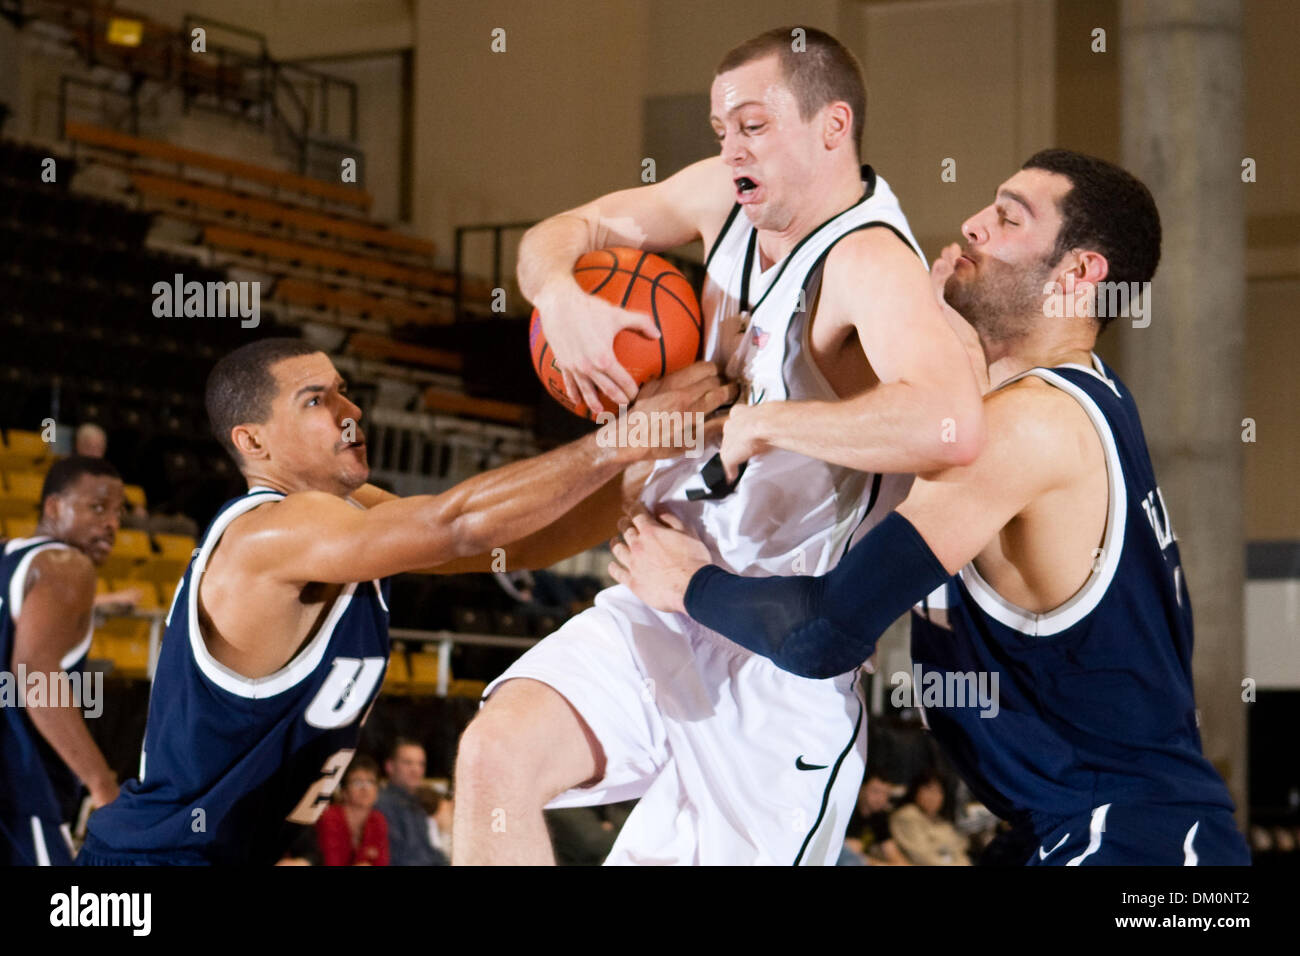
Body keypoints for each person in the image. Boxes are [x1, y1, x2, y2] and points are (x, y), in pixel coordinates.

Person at [611, 149, 1252, 866]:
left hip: (1132, 845)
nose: (972, 225)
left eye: (1008, 218)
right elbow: (920, 422)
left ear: (1079, 276)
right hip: (1071, 829)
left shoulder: (1030, 428)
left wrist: (688, 584)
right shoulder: (1055, 402)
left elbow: (823, 634)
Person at [455, 26, 983, 866]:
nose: (731, 147)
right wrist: (559, 292)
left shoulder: (868, 262)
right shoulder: (719, 203)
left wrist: (769, 422)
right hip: (656, 602)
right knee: (494, 755)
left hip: (773, 659)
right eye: (721, 130)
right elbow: (570, 226)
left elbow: (949, 423)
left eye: (753, 125)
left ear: (831, 126)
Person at [77, 337, 729, 865]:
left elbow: (524, 542)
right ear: (253, 443)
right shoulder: (266, 534)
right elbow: (456, 523)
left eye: (343, 390)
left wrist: (656, 470)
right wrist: (620, 439)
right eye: (315, 400)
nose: (348, 410)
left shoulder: (355, 518)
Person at [1, 456, 123, 864]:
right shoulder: (68, 565)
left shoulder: (8, 558)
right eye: (97, 507)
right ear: (53, 507)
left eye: (119, 512)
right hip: (20, 792)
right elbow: (35, 672)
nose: (111, 524)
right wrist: (101, 783)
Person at [375, 739, 446, 866]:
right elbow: (398, 858)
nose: (416, 769)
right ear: (390, 767)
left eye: (421, 764)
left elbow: (428, 850)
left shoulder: (417, 803)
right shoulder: (381, 804)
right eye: (408, 763)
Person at [316, 754, 388, 866]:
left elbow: (382, 862)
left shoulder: (378, 820)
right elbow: (331, 862)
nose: (364, 789)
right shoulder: (329, 818)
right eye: (357, 782)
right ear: (344, 791)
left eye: (370, 782)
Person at [888, 770, 970, 866]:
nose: (933, 797)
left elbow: (959, 850)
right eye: (928, 789)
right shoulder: (907, 816)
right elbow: (923, 857)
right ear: (916, 790)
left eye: (939, 792)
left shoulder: (941, 819)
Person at [839, 772, 908, 865]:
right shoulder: (847, 812)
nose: (880, 798)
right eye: (875, 791)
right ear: (861, 789)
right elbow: (850, 852)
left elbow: (892, 851)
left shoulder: (880, 816)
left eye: (885, 793)